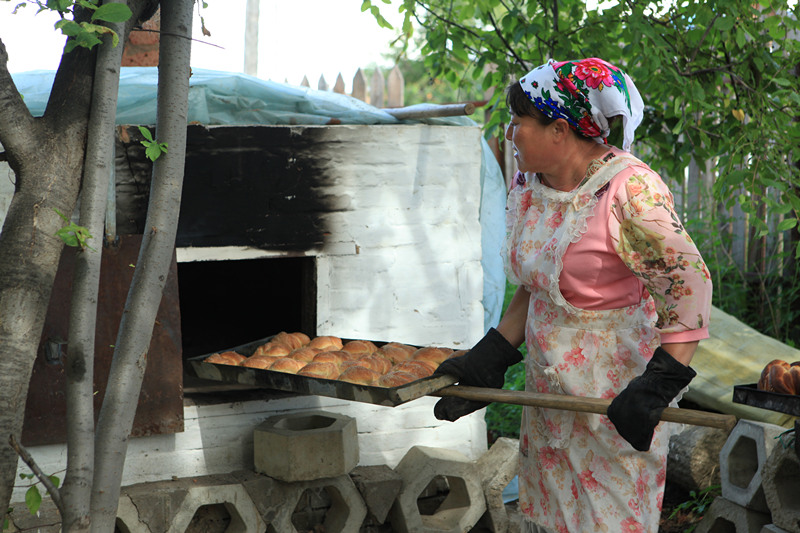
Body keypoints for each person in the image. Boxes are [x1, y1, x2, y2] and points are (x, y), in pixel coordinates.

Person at [434, 57, 712, 533]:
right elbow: (538, 284)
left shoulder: (628, 189)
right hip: (550, 398)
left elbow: (688, 284)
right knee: (549, 518)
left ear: (559, 130)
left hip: (616, 401)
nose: (510, 133)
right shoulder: (530, 184)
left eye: (519, 122)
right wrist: (496, 352)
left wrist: (660, 381)